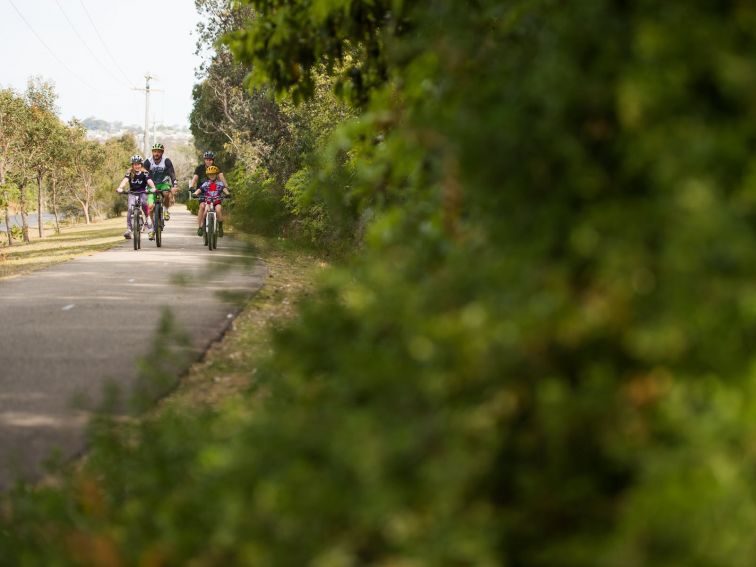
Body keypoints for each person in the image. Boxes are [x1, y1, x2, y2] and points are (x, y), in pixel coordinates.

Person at [116, 155, 157, 239]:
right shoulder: (129, 173)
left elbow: (149, 181)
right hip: (132, 193)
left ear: (141, 165)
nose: (137, 166)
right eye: (135, 164)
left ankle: (150, 229)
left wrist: (153, 187)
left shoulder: (145, 173)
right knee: (130, 209)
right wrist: (120, 187)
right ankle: (129, 230)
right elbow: (125, 180)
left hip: (143, 192)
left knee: (145, 205)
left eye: (138, 164)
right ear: (132, 165)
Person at [190, 151, 230, 234]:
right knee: (202, 206)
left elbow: (221, 178)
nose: (209, 161)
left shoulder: (216, 168)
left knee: (218, 209)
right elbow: (195, 178)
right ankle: (200, 226)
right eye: (207, 159)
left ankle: (218, 226)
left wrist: (227, 187)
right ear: (204, 160)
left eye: (211, 160)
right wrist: (192, 187)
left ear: (213, 160)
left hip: (215, 193)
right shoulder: (200, 168)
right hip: (203, 191)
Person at [143, 143, 178, 230]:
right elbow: (143, 176)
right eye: (154, 151)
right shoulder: (147, 162)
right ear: (152, 152)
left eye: (158, 152)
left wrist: (175, 185)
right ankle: (152, 227)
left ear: (162, 152)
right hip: (152, 185)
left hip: (163, 183)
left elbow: (172, 174)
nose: (156, 153)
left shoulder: (166, 161)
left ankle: (166, 210)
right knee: (150, 206)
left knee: (166, 193)